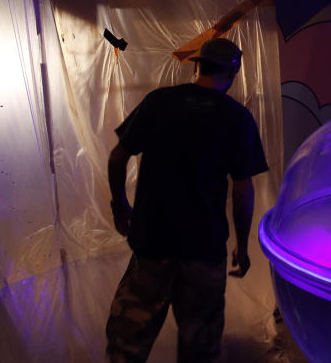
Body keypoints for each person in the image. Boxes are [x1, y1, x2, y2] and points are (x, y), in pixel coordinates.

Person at [104, 37, 269, 363]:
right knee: (201, 350)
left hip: (152, 246)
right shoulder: (237, 118)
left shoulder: (159, 102)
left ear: (197, 66)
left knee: (126, 346)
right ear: (233, 73)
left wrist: (119, 203)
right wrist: (243, 245)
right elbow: (242, 189)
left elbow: (117, 157)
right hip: (203, 252)